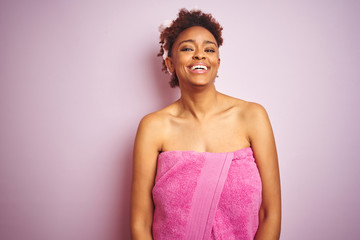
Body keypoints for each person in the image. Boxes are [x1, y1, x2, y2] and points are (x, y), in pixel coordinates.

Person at [130, 8, 281, 240]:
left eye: (209, 49)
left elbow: (270, 213)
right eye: (188, 48)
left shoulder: (252, 116)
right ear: (170, 63)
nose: (200, 55)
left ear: (217, 63)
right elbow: (140, 223)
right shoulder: (153, 127)